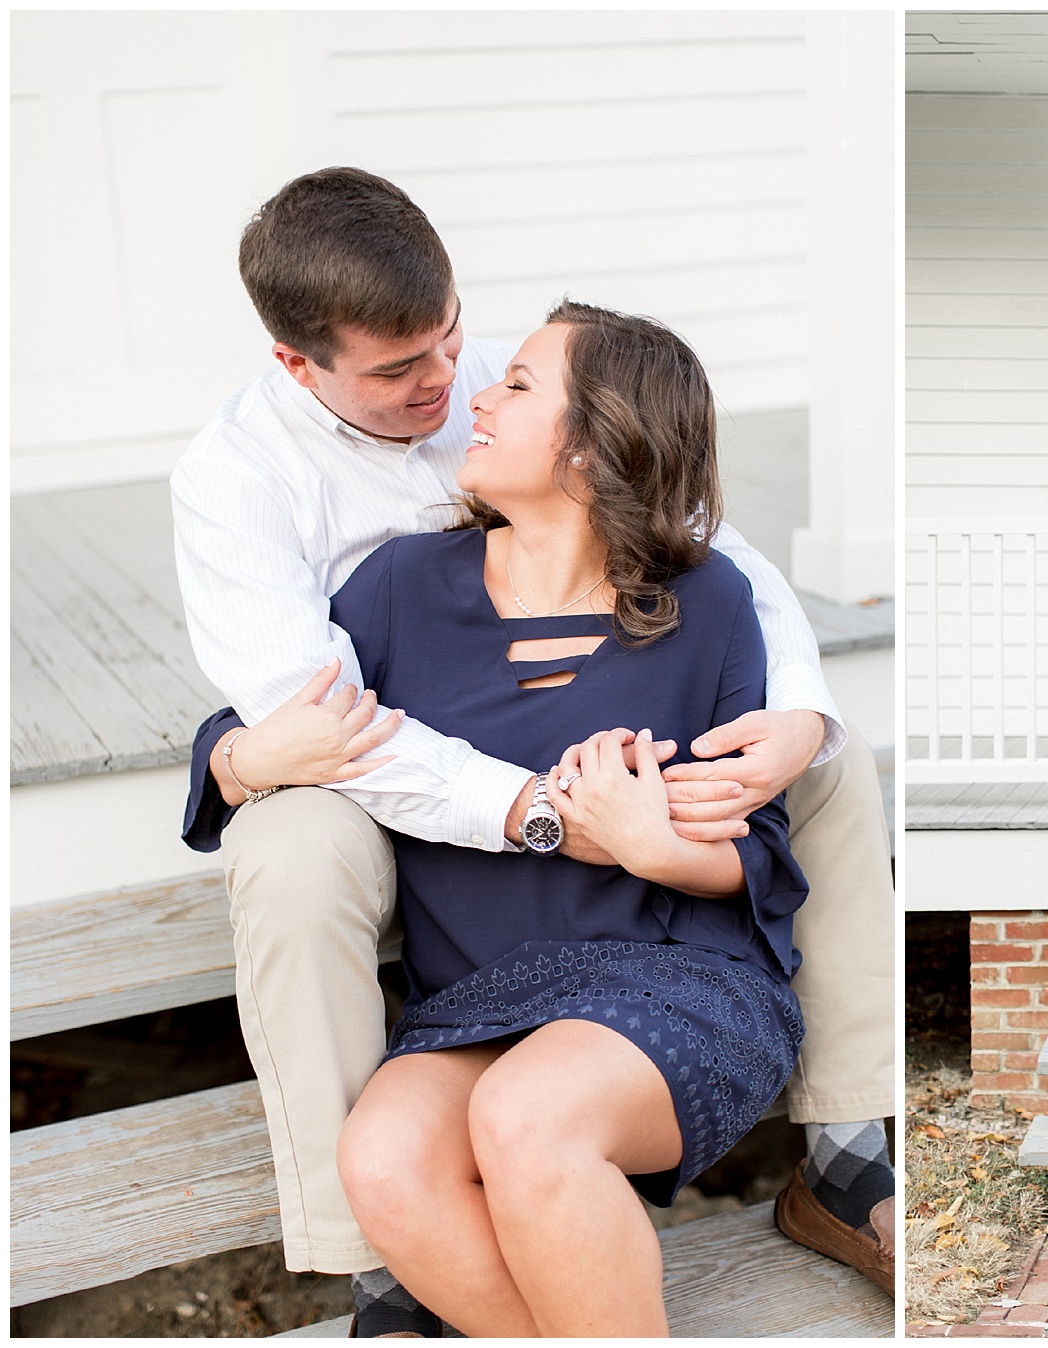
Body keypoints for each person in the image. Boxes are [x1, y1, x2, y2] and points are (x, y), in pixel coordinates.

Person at [175, 169, 894, 1335]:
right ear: (299, 366)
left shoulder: (683, 589)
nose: (451, 389)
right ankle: (387, 1267)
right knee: (300, 885)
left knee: (831, 759)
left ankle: (854, 1150)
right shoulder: (265, 501)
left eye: (464, 349)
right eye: (402, 372)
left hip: (659, 957)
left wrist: (794, 720)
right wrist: (241, 763)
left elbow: (725, 560)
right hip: (383, 795)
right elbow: (318, 719)